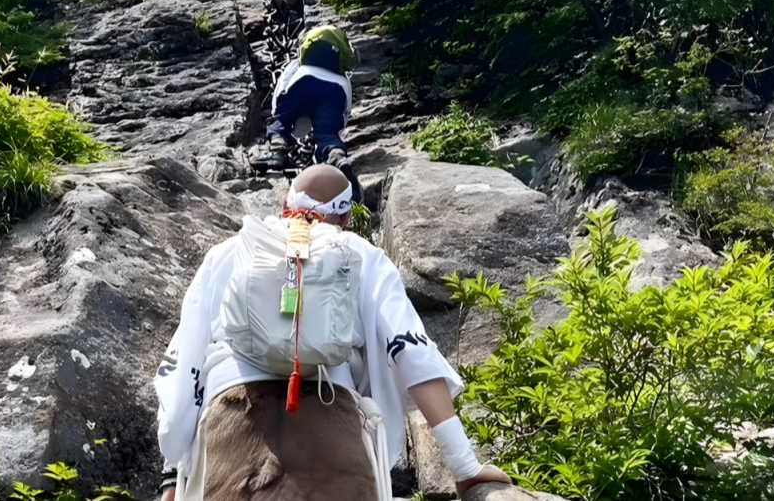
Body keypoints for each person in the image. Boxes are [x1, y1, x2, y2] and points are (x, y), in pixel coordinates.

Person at [154, 165, 513, 501]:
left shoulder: (230, 252)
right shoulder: (361, 254)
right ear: (345, 219)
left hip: (230, 426)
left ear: (285, 206)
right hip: (333, 424)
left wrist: (173, 475)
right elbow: (410, 352)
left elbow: (184, 363)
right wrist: (465, 467)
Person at [258, 25, 362, 202]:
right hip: (335, 88)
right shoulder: (341, 74)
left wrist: (280, 122)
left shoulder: (297, 64)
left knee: (282, 120)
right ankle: (337, 157)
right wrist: (334, 130)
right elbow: (345, 110)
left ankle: (277, 152)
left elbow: (280, 92)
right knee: (327, 135)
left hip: (301, 80)